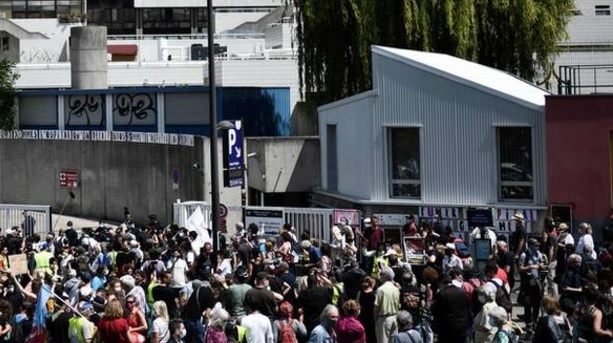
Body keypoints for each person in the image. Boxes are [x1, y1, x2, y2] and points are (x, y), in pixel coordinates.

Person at [431, 274, 471, 343]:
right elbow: (467, 308)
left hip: (447, 330)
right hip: (462, 328)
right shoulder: (461, 291)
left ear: (441, 282)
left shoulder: (442, 294)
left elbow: (436, 311)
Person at [518, 237, 547, 331]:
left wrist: (542, 264)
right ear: (530, 245)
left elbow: (542, 264)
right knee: (527, 303)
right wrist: (530, 267)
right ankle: (528, 324)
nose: (537, 247)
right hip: (527, 282)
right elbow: (520, 268)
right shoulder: (524, 255)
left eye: (538, 245)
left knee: (537, 303)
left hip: (537, 281)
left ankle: (535, 321)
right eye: (535, 245)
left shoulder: (538, 254)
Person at [374, 267, 400, 343]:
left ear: (385, 276)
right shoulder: (396, 289)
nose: (380, 276)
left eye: (381, 274)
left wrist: (375, 318)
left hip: (383, 319)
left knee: (383, 340)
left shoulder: (381, 290)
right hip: (394, 317)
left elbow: (376, 306)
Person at [356, 276, 376, 343]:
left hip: (362, 316)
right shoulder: (374, 294)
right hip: (371, 317)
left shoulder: (360, 292)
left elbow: (357, 304)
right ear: (372, 284)